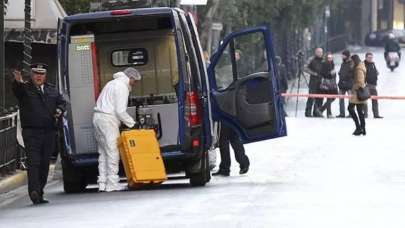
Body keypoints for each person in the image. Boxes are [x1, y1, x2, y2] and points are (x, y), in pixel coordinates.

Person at [12, 63, 66, 204]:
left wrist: (59, 110)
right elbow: (17, 90)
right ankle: (34, 192)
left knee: (44, 163)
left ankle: (40, 192)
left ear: (45, 75)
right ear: (32, 74)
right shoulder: (25, 88)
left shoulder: (52, 90)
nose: (38, 76)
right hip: (32, 132)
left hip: (48, 132)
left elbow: (62, 102)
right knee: (34, 162)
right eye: (36, 73)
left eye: (41, 74)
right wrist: (17, 81)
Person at [93, 67, 141, 192]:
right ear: (130, 78)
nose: (134, 85)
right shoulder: (122, 87)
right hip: (108, 120)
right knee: (113, 152)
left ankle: (102, 183)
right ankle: (112, 184)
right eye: (134, 82)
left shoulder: (111, 83)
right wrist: (132, 124)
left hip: (97, 118)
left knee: (103, 153)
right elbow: (120, 111)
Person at [348, 55, 367, 136]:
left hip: (357, 93)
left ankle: (359, 127)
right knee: (359, 111)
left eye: (351, 61)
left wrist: (353, 89)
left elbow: (360, 82)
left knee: (350, 108)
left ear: (354, 60)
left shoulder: (358, 69)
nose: (350, 63)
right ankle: (362, 128)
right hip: (359, 92)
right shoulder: (360, 66)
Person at [304, 48, 324, 117]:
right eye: (318, 52)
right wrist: (313, 73)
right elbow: (305, 68)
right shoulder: (311, 59)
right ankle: (308, 112)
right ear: (315, 52)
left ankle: (317, 112)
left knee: (320, 98)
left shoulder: (324, 60)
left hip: (321, 81)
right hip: (313, 81)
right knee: (311, 97)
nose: (320, 53)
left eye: (321, 52)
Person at [318, 53, 338, 118]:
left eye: (331, 57)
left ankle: (321, 110)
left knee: (333, 97)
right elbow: (323, 73)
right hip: (327, 83)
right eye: (328, 57)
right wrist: (330, 74)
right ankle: (328, 113)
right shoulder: (324, 64)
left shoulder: (332, 64)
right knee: (329, 97)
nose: (330, 59)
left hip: (332, 84)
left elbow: (334, 74)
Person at [364, 52, 383, 119]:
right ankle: (365, 114)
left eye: (371, 57)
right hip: (366, 85)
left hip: (373, 85)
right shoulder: (363, 65)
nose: (370, 59)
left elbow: (375, 72)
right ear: (366, 58)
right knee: (364, 101)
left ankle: (376, 114)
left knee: (375, 100)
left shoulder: (373, 64)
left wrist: (376, 73)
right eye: (369, 57)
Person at [337, 50, 354, 118]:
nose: (342, 56)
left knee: (350, 99)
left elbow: (352, 73)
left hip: (349, 84)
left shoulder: (352, 63)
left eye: (343, 55)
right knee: (341, 99)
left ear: (347, 56)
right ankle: (342, 113)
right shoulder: (343, 63)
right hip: (342, 84)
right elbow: (341, 72)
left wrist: (346, 77)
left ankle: (351, 113)